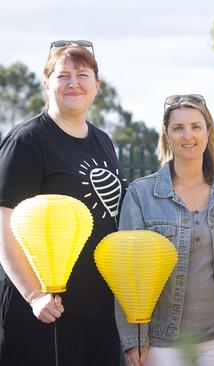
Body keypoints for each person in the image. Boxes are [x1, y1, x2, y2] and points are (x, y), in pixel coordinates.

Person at [0, 41, 124, 365]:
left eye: (83, 75)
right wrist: (35, 296)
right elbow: (4, 227)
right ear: (47, 83)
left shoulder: (104, 142)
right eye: (63, 75)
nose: (73, 83)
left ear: (96, 85)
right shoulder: (27, 141)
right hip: (45, 313)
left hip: (98, 310)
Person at [116, 94, 214, 366]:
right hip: (162, 341)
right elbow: (127, 274)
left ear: (208, 132)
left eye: (196, 126)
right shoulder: (142, 194)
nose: (188, 135)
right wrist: (133, 338)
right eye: (178, 128)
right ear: (167, 135)